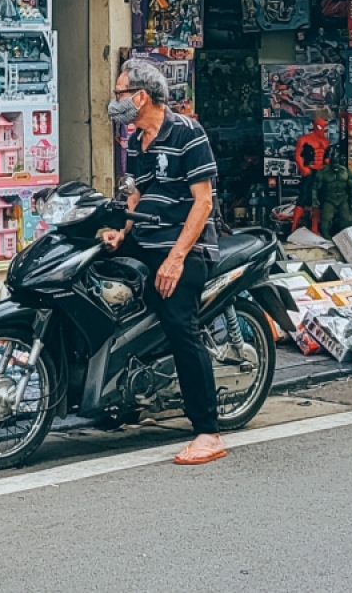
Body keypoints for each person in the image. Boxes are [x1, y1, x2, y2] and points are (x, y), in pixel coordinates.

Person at [100, 59, 227, 466]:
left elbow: (202, 202)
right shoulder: (136, 140)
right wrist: (121, 232)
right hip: (147, 239)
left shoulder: (187, 132)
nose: (115, 102)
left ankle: (208, 432)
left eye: (120, 94)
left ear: (140, 96)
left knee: (180, 325)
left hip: (185, 246)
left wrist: (175, 259)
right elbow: (137, 194)